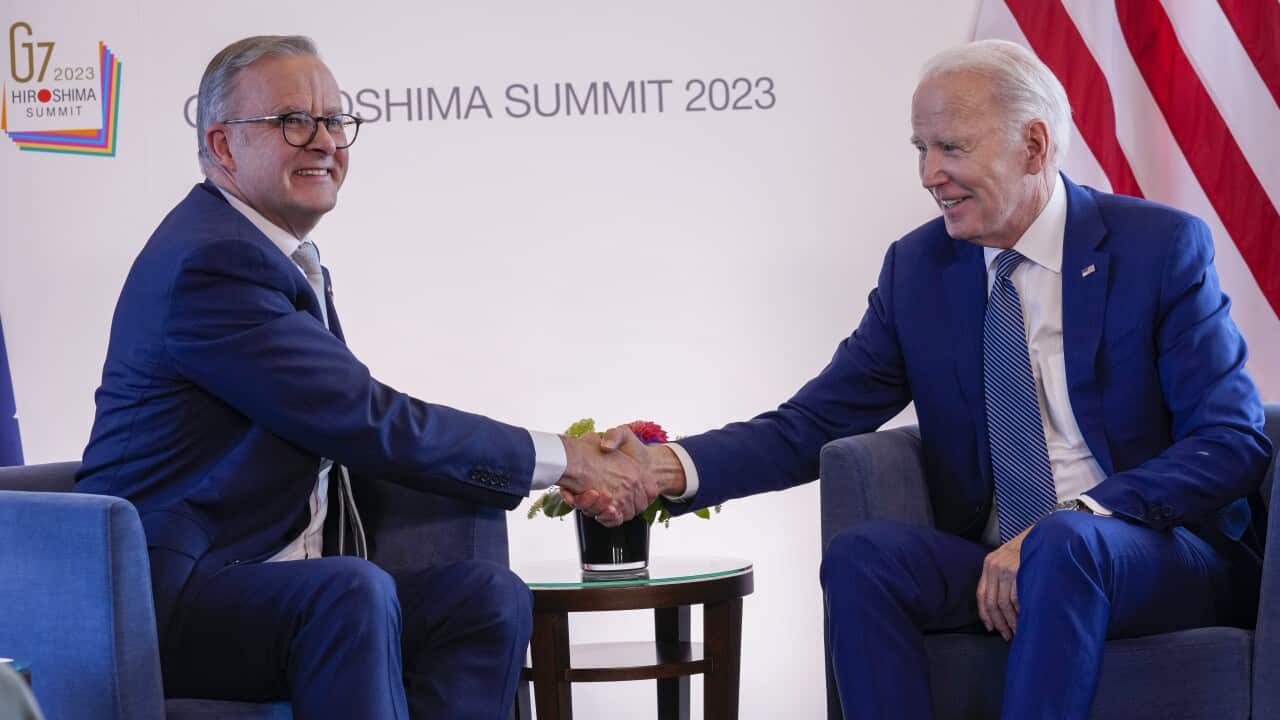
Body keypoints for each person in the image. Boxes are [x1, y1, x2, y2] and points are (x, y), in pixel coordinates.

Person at [594, 39, 1273, 718]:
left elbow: (1232, 440)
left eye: (950, 148)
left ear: (1033, 147)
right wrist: (662, 468)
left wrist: (1073, 521)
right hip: (995, 560)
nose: (929, 174)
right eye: (920, 149)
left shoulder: (1157, 248)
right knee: (862, 557)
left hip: (1149, 552)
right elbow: (815, 422)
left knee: (1065, 544)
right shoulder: (919, 269)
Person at [76, 35, 655, 719]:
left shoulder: (277, 255)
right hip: (163, 599)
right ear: (224, 147)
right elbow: (364, 419)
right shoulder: (212, 262)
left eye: (335, 120)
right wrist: (565, 460)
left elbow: (350, 422)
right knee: (349, 592)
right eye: (292, 120)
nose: (323, 140)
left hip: (274, 583)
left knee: (485, 599)